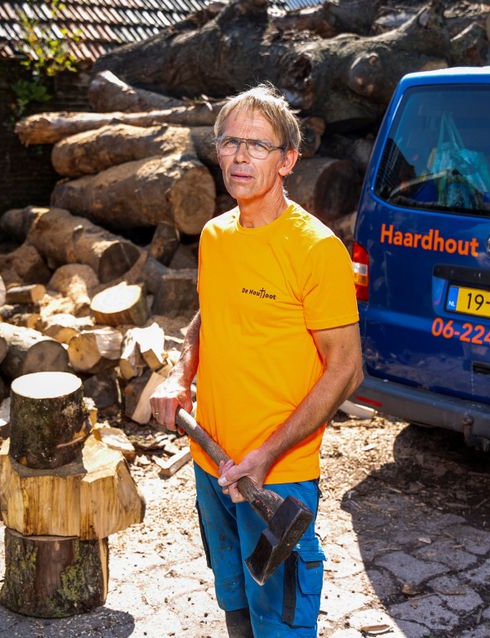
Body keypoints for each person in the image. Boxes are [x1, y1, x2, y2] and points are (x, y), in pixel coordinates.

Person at [148, 83, 363, 638]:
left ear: (288, 160)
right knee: (235, 599)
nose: (239, 156)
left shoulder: (315, 250)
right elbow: (208, 316)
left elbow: (347, 368)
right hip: (211, 461)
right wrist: (179, 375)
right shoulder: (217, 236)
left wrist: (266, 456)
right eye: (229, 141)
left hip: (277, 479)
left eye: (258, 145)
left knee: (281, 620)